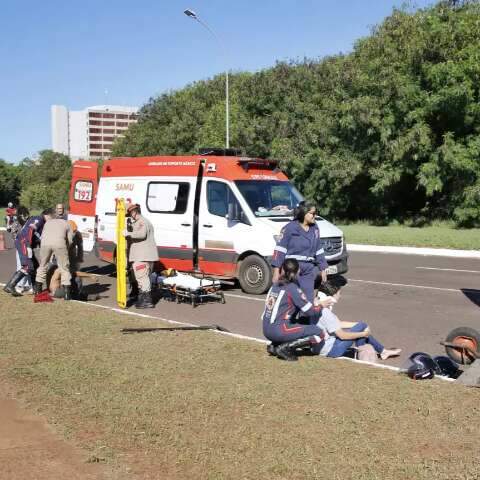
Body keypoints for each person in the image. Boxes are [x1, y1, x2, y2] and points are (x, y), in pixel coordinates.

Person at [262, 258, 335, 361]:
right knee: (319, 332)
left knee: (296, 322)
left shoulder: (274, 286)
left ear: (282, 269)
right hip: (279, 329)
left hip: (266, 329)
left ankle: (275, 345)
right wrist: (322, 305)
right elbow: (310, 312)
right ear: (297, 271)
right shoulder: (292, 288)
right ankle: (285, 348)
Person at [315, 276, 402, 360]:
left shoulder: (318, 308)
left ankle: (383, 351)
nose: (340, 296)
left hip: (323, 348)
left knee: (361, 326)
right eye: (338, 293)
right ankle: (363, 355)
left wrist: (358, 326)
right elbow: (342, 336)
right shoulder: (325, 312)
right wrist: (363, 334)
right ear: (330, 297)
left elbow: (338, 323)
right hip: (332, 350)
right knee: (362, 327)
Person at [271, 201, 329, 306]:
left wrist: (323, 268)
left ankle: (306, 321)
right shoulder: (289, 228)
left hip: (308, 270)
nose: (315, 215)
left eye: (315, 213)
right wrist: (276, 272)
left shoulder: (315, 228)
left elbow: (318, 248)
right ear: (304, 213)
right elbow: (280, 250)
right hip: (292, 269)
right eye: (312, 213)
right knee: (291, 299)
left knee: (307, 300)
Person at [3, 209, 53, 296]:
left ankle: (35, 290)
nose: (52, 220)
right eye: (52, 217)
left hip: (26, 243)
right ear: (47, 215)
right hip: (24, 242)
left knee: (35, 267)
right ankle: (10, 285)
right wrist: (28, 245)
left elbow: (39, 238)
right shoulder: (39, 219)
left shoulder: (43, 223)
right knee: (28, 266)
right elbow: (30, 229)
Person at [123, 203, 157, 309]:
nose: (129, 216)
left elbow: (141, 234)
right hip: (143, 255)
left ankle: (147, 300)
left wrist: (128, 234)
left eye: (129, 214)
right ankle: (143, 298)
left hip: (142, 255)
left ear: (133, 212)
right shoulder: (142, 221)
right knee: (142, 277)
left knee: (142, 277)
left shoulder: (142, 222)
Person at [34, 214, 73, 300]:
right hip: (59, 243)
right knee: (64, 267)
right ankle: (67, 294)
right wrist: (65, 250)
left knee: (43, 265)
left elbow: (43, 235)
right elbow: (70, 241)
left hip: (44, 243)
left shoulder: (48, 223)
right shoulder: (67, 224)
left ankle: (37, 290)